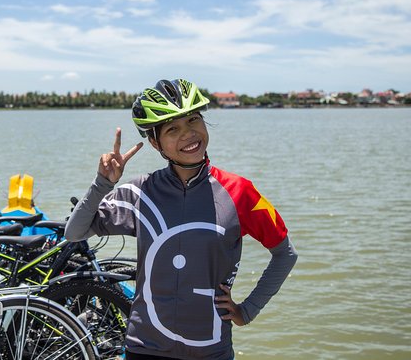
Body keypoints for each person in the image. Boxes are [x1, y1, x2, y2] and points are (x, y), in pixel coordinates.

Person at [65, 78, 298, 360]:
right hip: (144, 347)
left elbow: (284, 254)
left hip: (210, 350)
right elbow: (74, 233)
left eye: (193, 120)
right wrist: (102, 183)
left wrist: (247, 310)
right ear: (155, 142)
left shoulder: (240, 192)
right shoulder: (141, 192)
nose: (189, 134)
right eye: (173, 129)